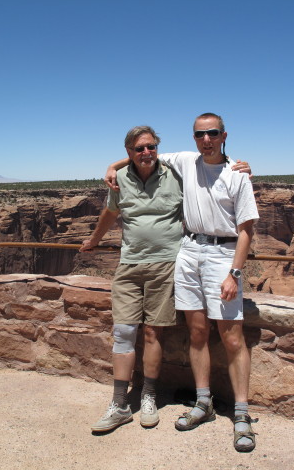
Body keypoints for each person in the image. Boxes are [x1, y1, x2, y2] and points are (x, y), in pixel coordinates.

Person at [105, 113, 259, 452]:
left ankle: (242, 413)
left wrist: (234, 273)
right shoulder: (186, 161)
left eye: (213, 133)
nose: (206, 139)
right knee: (198, 331)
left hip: (222, 255)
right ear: (193, 138)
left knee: (231, 335)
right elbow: (144, 153)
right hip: (188, 251)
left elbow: (247, 230)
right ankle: (202, 403)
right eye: (200, 134)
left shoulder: (237, 176)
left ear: (223, 135)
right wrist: (112, 166)